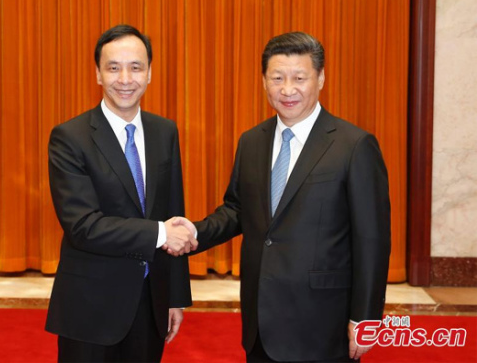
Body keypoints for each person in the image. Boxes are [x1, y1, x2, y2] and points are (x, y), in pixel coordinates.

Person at [171, 31, 391, 362]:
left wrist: (365, 316)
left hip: (322, 322)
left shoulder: (354, 146)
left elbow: (372, 239)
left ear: (321, 79)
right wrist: (194, 232)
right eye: (277, 78)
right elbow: (237, 210)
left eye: (299, 77)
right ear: (264, 81)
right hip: (261, 319)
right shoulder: (252, 141)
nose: (287, 89)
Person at [45, 24, 197, 363]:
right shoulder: (70, 137)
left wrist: (174, 297)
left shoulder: (164, 131)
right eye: (113, 68)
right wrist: (160, 233)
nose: (125, 78)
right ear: (98, 74)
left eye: (135, 67)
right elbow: (83, 225)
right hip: (90, 306)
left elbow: (173, 209)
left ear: (150, 73)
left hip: (150, 301)